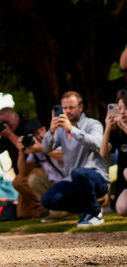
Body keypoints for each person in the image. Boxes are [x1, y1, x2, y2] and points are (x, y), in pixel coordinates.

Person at [40, 91, 108, 226]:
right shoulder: (60, 129)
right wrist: (51, 131)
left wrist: (72, 129)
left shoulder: (93, 124)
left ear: (80, 107)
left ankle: (94, 214)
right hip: (73, 180)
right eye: (64, 108)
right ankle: (88, 211)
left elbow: (97, 143)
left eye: (71, 107)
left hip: (97, 178)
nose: (67, 111)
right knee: (48, 200)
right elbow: (46, 149)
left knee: (79, 173)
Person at [10, 125, 65, 219]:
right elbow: (23, 173)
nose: (35, 138)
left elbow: (64, 157)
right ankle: (53, 209)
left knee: (36, 173)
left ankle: (63, 209)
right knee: (33, 179)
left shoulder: (56, 139)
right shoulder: (35, 151)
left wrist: (42, 148)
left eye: (36, 134)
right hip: (53, 184)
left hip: (68, 181)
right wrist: (21, 152)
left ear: (43, 129)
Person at [0, 108, 43, 175]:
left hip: (37, 169)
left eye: (6, 122)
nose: (5, 125)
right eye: (1, 122)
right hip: (20, 172)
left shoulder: (30, 125)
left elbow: (27, 148)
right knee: (16, 182)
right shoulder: (6, 132)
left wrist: (9, 134)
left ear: (16, 117)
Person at [100, 90, 127, 216]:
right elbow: (103, 153)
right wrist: (107, 129)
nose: (122, 112)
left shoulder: (123, 128)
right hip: (124, 183)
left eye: (126, 108)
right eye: (120, 108)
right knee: (121, 208)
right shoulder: (117, 133)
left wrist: (124, 128)